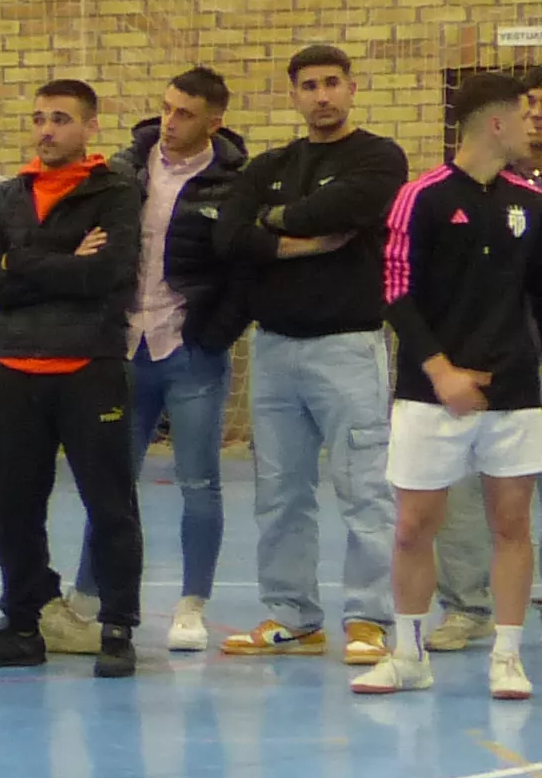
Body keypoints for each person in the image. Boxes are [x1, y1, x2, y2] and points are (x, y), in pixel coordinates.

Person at [352, 73, 542, 699]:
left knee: (513, 523)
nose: (531, 125)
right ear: (495, 124)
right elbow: (395, 292)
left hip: (514, 395)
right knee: (413, 526)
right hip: (429, 394)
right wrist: (441, 372)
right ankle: (407, 654)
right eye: (524, 114)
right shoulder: (421, 197)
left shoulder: (530, 200)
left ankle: (507, 657)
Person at [218, 46, 409, 661]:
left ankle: (370, 618)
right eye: (309, 86)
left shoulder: (379, 158)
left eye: (332, 83)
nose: (321, 95)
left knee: (365, 489)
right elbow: (227, 236)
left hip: (348, 349)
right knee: (278, 493)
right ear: (294, 95)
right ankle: (294, 617)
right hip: (272, 351)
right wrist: (296, 243)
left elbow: (348, 208)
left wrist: (269, 223)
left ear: (353, 88)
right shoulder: (270, 163)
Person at [0, 80, 146, 679]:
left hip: (90, 365)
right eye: (39, 118)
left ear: (90, 127)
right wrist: (65, 258)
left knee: (110, 503)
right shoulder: (6, 195)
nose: (47, 129)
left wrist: (23, 259)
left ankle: (117, 626)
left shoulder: (116, 192)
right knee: (13, 506)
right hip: (13, 368)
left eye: (61, 119)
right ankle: (21, 624)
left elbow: (108, 274)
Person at [92, 68, 247, 654]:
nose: (170, 122)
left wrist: (214, 333)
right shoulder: (123, 169)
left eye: (185, 113)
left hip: (191, 351)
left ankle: (191, 603)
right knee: (110, 481)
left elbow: (244, 270)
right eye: (166, 108)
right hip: (125, 347)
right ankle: (96, 597)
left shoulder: (235, 182)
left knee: (200, 481)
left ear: (215, 121)